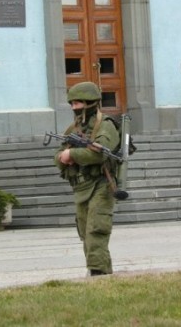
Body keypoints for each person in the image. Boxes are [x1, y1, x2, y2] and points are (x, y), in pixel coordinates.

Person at [54, 81, 120, 276]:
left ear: (89, 103)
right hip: (81, 187)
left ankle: (99, 273)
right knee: (85, 231)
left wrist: (72, 154)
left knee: (96, 229)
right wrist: (63, 157)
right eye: (72, 104)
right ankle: (98, 271)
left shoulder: (106, 125)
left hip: (102, 184)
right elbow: (57, 155)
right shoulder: (73, 129)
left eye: (77, 103)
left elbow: (100, 154)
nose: (74, 108)